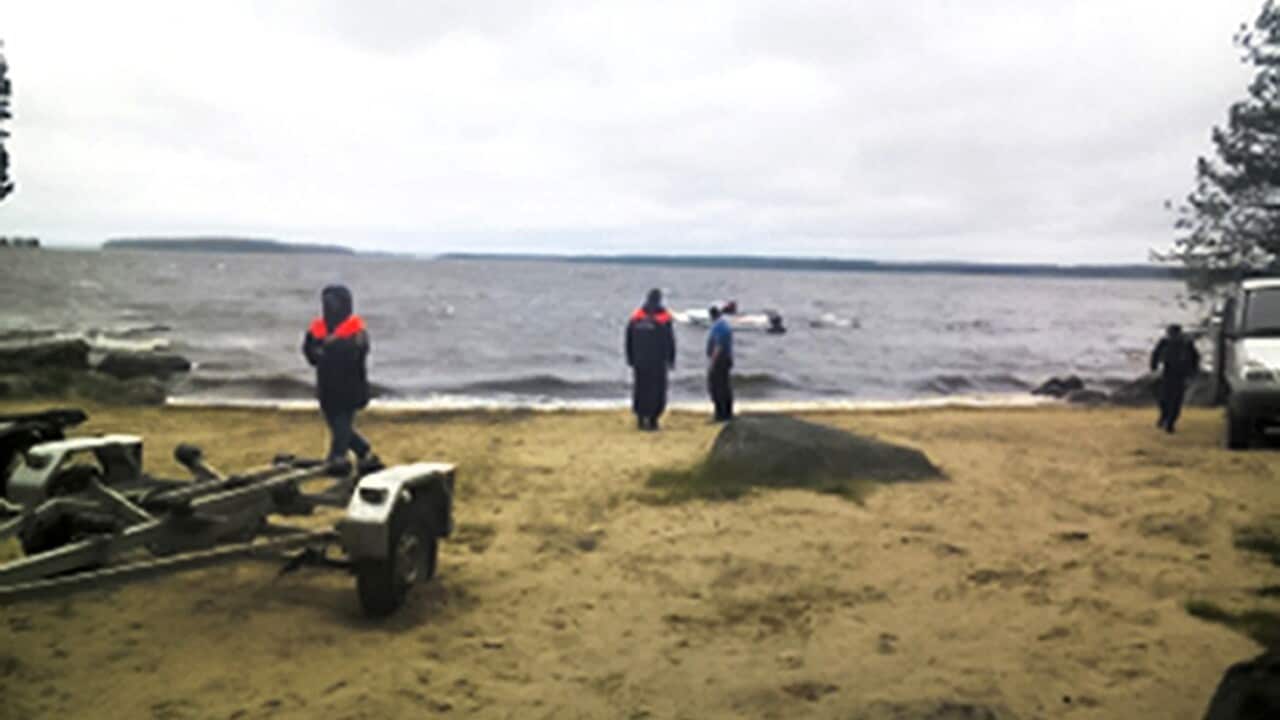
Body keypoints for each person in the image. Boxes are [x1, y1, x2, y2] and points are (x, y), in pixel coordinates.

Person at [302, 285, 381, 471]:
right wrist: (317, 353)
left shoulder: (356, 331)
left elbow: (357, 351)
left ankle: (337, 456)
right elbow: (309, 350)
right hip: (327, 386)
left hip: (350, 387)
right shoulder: (318, 328)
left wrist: (329, 349)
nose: (330, 307)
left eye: (334, 303)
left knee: (341, 423)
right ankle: (363, 450)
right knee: (336, 422)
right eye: (327, 303)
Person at [625, 288, 676, 431]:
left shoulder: (636, 318)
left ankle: (641, 418)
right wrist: (671, 359)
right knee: (657, 391)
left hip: (639, 361)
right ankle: (653, 420)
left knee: (640, 389)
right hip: (657, 362)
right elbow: (669, 341)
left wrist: (630, 358)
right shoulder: (663, 318)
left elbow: (628, 339)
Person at [1149, 323, 1200, 434]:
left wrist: (1192, 373)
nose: (1171, 335)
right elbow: (1155, 355)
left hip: (1180, 375)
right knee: (1164, 398)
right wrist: (1154, 367)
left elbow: (1194, 358)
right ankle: (1165, 416)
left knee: (1175, 400)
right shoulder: (1165, 342)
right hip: (1167, 373)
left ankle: (1170, 422)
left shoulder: (1186, 344)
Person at [706, 304, 734, 422]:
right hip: (726, 358)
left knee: (716, 387)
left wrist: (712, 362)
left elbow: (718, 346)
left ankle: (719, 414)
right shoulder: (725, 325)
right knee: (725, 386)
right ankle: (727, 413)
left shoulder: (718, 327)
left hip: (720, 359)